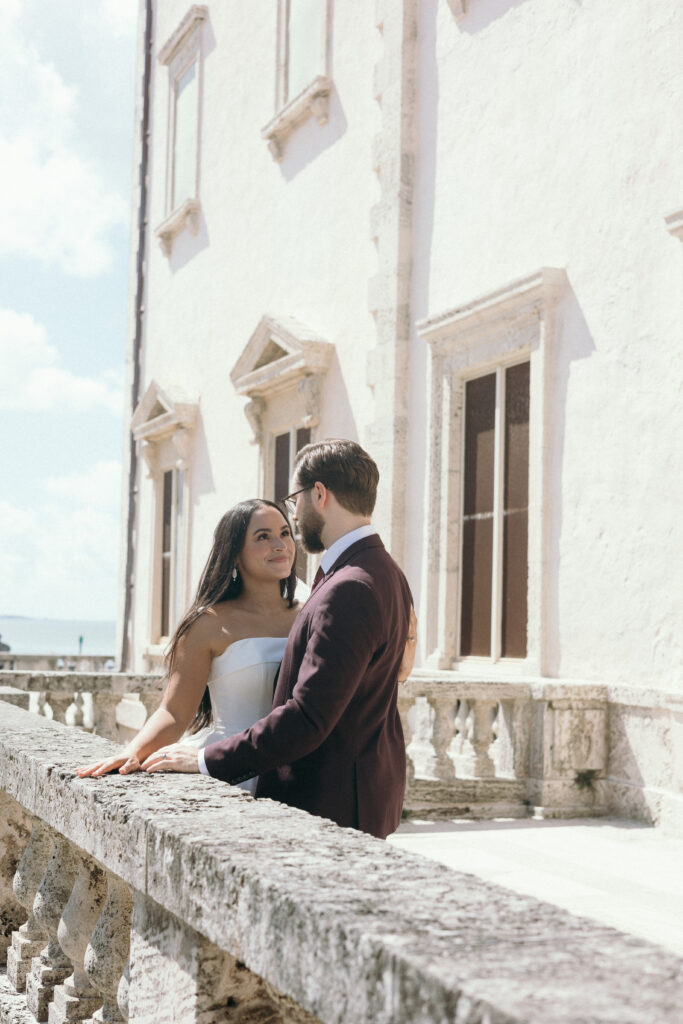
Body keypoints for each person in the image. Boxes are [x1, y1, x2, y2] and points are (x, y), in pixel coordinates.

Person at [142, 439, 415, 840]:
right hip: (364, 794)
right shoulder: (386, 571)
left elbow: (308, 718)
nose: (295, 516)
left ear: (319, 494)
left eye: (294, 502)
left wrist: (204, 761)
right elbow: (400, 669)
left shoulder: (348, 586)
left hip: (330, 801)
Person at [76, 499, 300, 791]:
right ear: (235, 554)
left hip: (297, 772)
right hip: (228, 772)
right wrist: (131, 751)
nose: (280, 544)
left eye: (284, 533)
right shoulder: (207, 625)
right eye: (263, 537)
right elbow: (174, 712)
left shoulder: (310, 614)